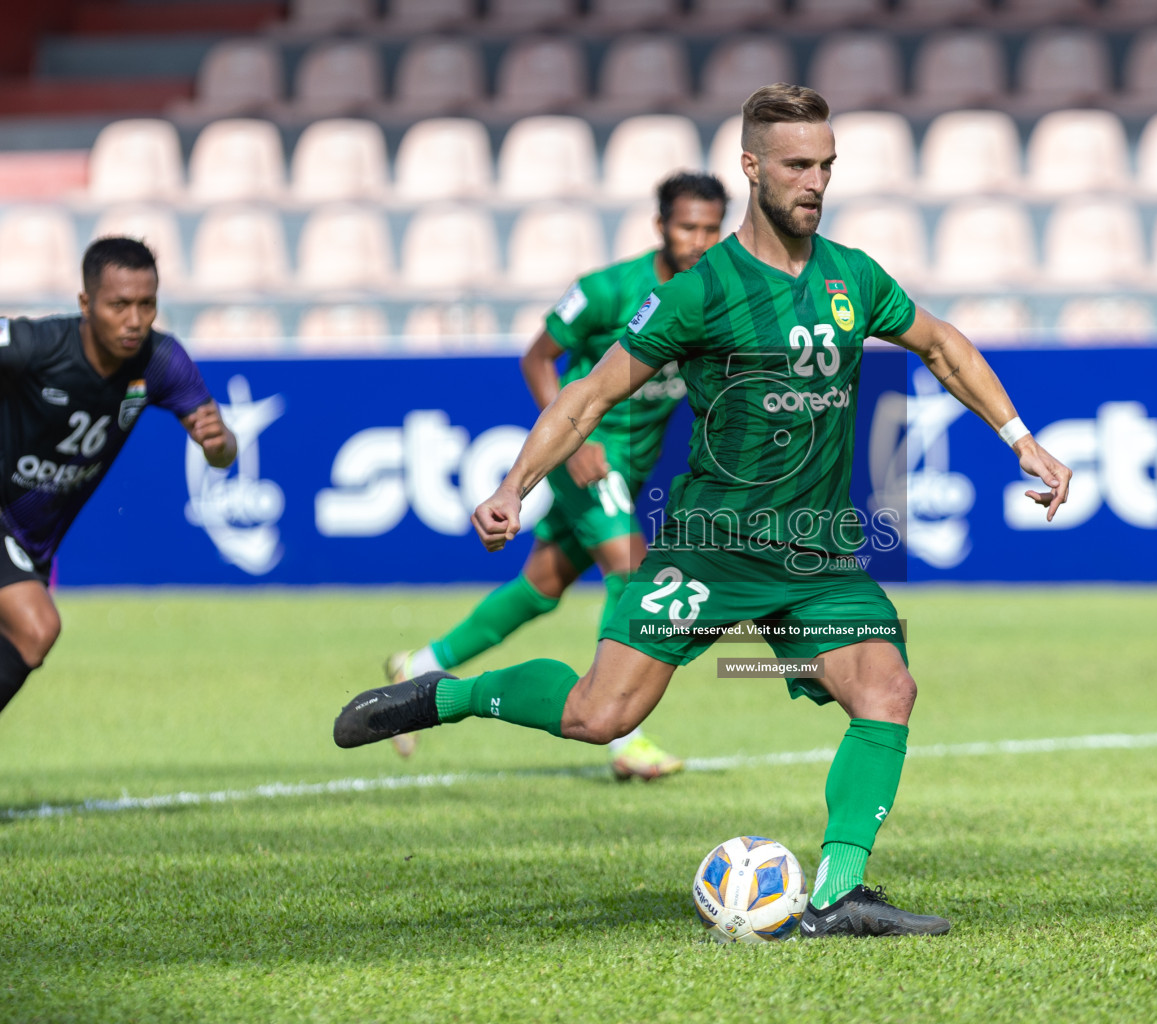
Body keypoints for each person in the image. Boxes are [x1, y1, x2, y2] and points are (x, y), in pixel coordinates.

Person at [334, 84, 1072, 938]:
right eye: (798, 165)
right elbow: (588, 395)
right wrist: (515, 485)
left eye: (827, 165)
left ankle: (836, 896)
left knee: (887, 690)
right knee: (600, 716)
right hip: (712, 548)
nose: (816, 182)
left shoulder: (854, 276)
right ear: (752, 167)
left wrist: (1021, 438)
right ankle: (452, 695)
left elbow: (942, 344)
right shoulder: (702, 291)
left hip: (815, 552)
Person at [382, 171, 728, 774]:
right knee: (632, 569)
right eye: (686, 226)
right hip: (585, 460)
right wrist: (572, 445)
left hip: (630, 467)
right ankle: (626, 736)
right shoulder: (608, 289)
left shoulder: (713, 295)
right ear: (660, 227)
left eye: (710, 227)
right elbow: (537, 356)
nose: (699, 239)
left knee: (541, 588)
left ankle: (418, 667)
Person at [0, 237, 236, 717]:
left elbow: (222, 453)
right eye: (119, 305)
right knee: (36, 625)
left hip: (32, 540)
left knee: (30, 636)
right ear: (86, 303)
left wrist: (219, 442)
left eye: (146, 304)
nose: (134, 320)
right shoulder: (36, 347)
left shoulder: (161, 361)